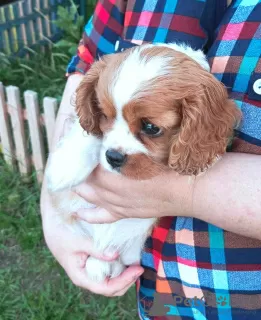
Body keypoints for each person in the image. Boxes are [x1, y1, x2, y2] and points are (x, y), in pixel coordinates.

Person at [40, 0, 261, 318]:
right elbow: (84, 72)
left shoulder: (199, 104)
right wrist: (55, 216)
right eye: (107, 117)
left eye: (149, 128)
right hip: (157, 296)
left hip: (240, 303)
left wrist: (186, 191)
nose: (113, 146)